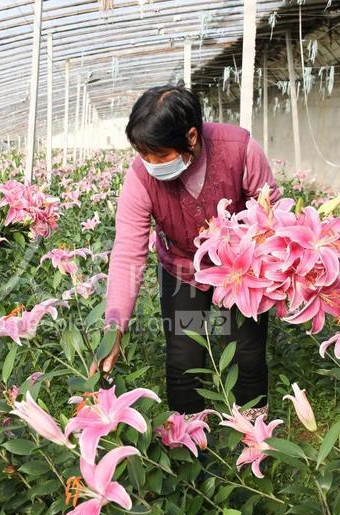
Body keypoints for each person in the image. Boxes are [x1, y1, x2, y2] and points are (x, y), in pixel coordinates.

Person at [91, 84, 280, 421]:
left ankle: (254, 435)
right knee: (184, 355)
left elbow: (270, 211)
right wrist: (114, 327)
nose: (150, 165)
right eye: (143, 154)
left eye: (159, 155)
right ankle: (189, 440)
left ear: (191, 136)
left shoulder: (240, 149)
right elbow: (127, 254)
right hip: (182, 271)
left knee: (247, 351)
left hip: (241, 272)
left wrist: (275, 266)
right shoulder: (140, 178)